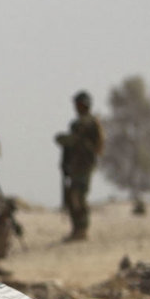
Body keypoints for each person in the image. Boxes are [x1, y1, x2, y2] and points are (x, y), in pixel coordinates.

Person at [55, 90, 105, 241]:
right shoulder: (81, 123)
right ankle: (78, 229)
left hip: (83, 165)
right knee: (73, 196)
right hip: (76, 166)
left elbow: (75, 141)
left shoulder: (87, 123)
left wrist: (63, 139)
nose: (76, 107)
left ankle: (82, 229)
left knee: (78, 196)